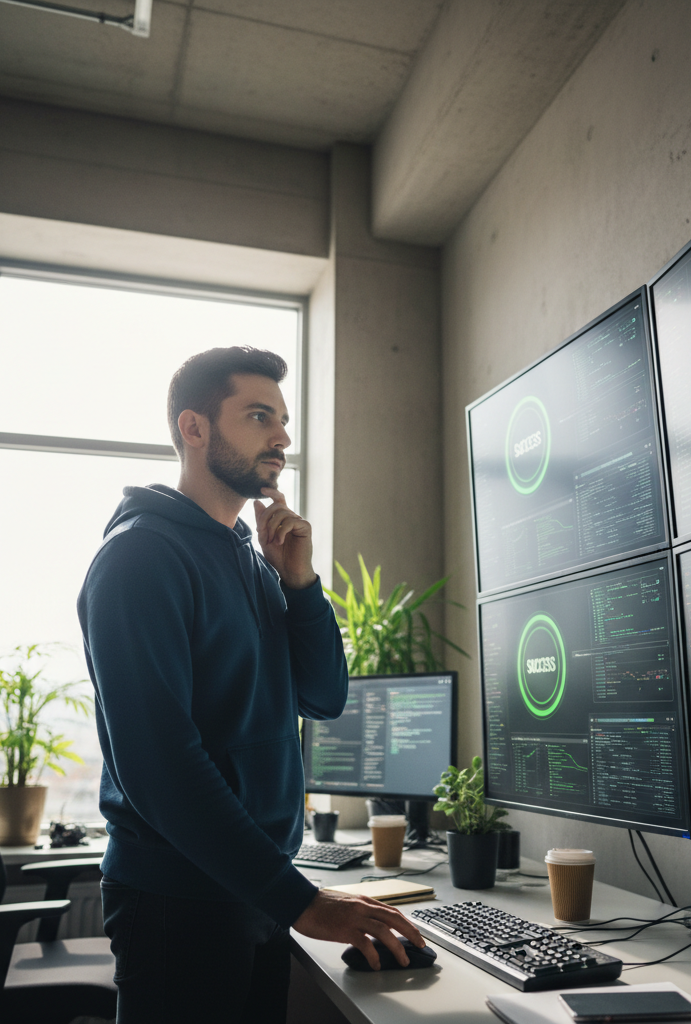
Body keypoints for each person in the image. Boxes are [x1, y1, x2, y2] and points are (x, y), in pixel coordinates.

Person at [77, 346, 424, 1023]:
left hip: (248, 886)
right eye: (259, 415)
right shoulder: (141, 558)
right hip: (180, 898)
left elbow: (324, 697)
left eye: (284, 420)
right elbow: (159, 764)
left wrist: (300, 583)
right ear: (194, 428)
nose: (282, 437)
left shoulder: (253, 556)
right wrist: (301, 899)